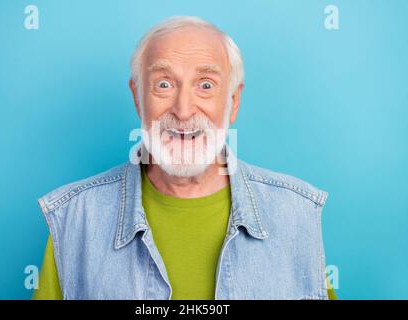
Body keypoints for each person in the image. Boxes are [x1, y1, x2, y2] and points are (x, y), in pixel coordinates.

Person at [32, 16, 337, 300]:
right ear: (138, 99)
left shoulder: (297, 217)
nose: (183, 110)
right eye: (164, 84)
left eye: (206, 85)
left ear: (233, 101)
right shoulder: (74, 219)